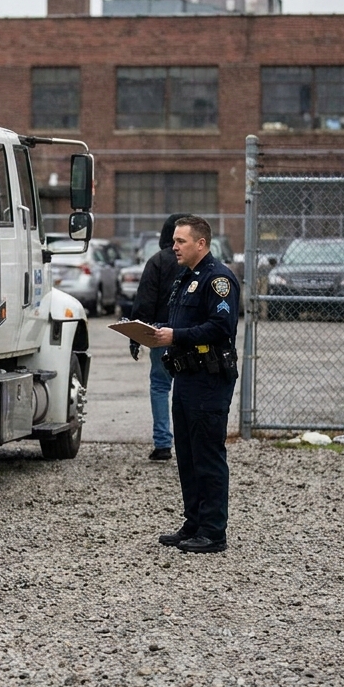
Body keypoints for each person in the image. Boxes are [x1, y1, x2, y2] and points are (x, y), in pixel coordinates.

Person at [150, 215, 240, 554]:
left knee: (207, 454)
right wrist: (151, 330)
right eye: (174, 240)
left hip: (208, 378)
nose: (174, 246)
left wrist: (176, 336)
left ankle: (214, 531)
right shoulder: (185, 278)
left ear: (201, 244)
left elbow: (220, 326)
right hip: (185, 376)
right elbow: (179, 322)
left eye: (181, 241)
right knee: (186, 455)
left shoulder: (218, 280)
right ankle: (194, 523)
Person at [129, 214, 190, 462]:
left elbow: (144, 301)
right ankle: (190, 444)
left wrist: (135, 337)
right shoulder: (196, 262)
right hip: (191, 333)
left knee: (160, 386)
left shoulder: (157, 261)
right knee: (189, 389)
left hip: (160, 333)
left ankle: (163, 444)